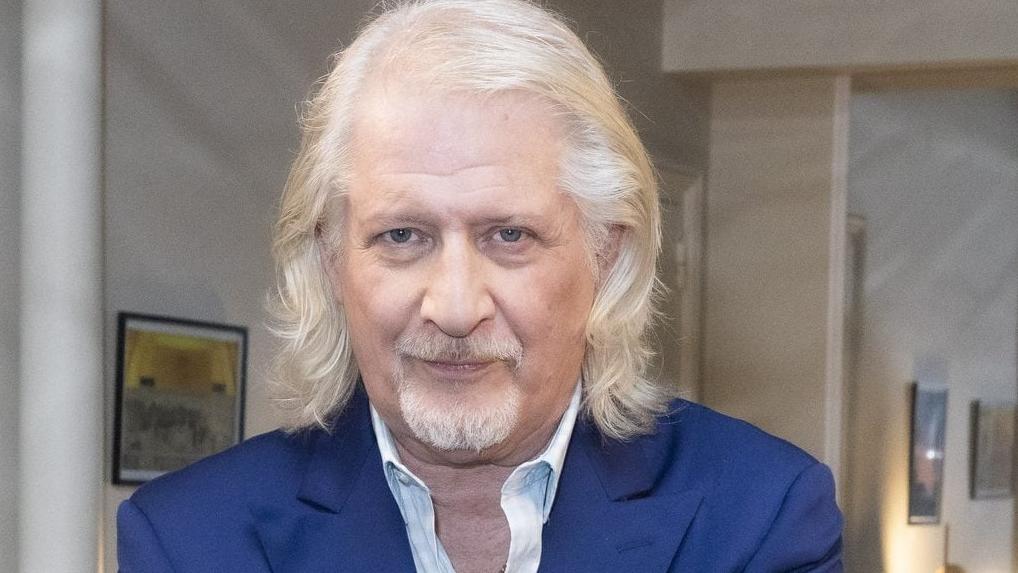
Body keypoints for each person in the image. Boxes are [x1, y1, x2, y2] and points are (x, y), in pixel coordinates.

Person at [117, 1, 843, 571]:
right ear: (331, 261)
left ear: (607, 255)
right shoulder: (191, 540)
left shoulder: (757, 517)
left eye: (510, 236)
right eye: (403, 236)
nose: (456, 308)